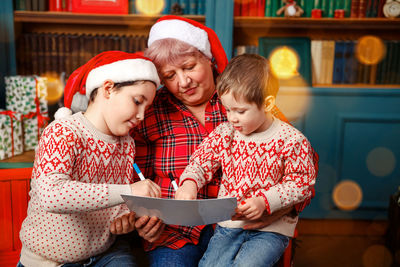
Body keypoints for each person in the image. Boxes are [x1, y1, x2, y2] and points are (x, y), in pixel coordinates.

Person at [130, 15, 317, 267]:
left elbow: (303, 173)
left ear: (207, 58)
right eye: (170, 75)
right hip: (175, 232)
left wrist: (276, 207)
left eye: (188, 66)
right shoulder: (152, 111)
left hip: (248, 223)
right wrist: (145, 218)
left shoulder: (244, 97)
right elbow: (134, 179)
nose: (183, 82)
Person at [18, 51, 162, 267]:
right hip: (49, 260)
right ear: (108, 89)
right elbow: (51, 195)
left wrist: (127, 218)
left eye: (147, 107)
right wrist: (129, 191)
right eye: (137, 101)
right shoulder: (62, 132)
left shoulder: (126, 143)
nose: (142, 115)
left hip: (105, 254)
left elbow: (112, 201)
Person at [175, 54, 317, 266]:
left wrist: (265, 201)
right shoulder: (225, 133)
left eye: (240, 111)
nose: (232, 118)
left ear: (267, 104)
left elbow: (302, 184)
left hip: (271, 230)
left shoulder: (291, 140)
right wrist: (189, 182)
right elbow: (200, 161)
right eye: (227, 109)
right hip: (229, 225)